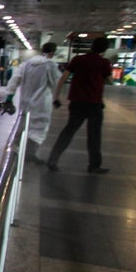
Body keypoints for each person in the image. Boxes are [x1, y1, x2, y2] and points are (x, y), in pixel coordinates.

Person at [46, 36, 111, 173]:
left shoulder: (78, 59)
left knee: (68, 131)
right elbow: (109, 80)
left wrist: (56, 97)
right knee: (94, 135)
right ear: (105, 49)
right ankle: (94, 165)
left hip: (77, 102)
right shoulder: (104, 63)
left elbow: (63, 78)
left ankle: (53, 159)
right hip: (94, 104)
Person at [4, 41, 60, 163]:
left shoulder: (26, 64)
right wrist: (57, 98)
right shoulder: (50, 65)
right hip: (42, 103)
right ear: (52, 53)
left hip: (25, 102)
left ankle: (16, 151)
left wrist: (8, 99)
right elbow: (57, 82)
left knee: (23, 126)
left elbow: (14, 81)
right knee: (39, 129)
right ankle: (29, 153)